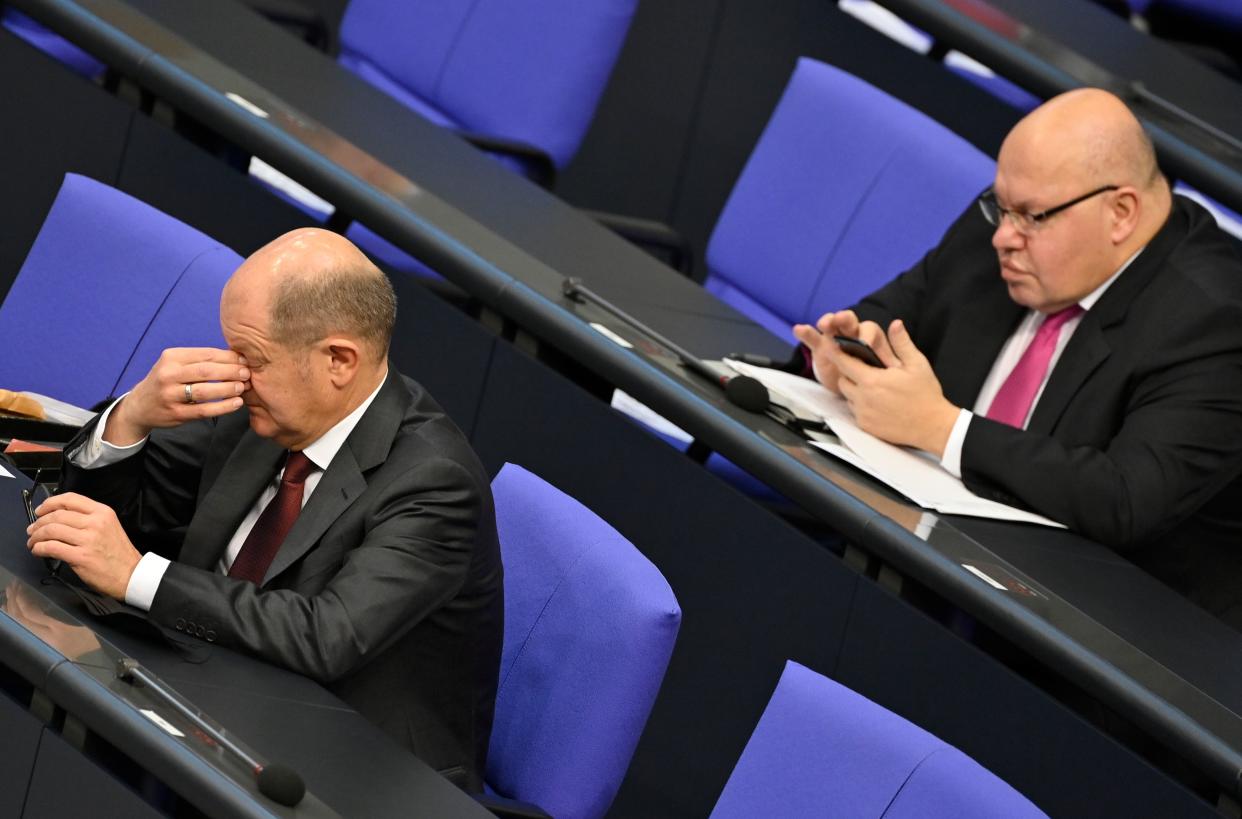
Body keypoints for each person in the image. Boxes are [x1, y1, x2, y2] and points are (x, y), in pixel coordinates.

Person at [26, 228, 503, 791]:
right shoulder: (267, 406)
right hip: (213, 681)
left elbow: (327, 635)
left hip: (352, 766)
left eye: (251, 356)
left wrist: (136, 573)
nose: (233, 371)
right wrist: (132, 419)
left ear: (339, 361)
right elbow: (124, 525)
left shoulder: (435, 482)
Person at [793, 88, 1242, 628]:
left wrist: (942, 428)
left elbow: (1125, 498)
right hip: (933, 565)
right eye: (1001, 207)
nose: (1004, 236)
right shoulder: (1004, 223)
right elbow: (889, 317)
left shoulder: (1214, 320)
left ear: (1121, 213)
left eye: (1031, 216)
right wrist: (850, 360)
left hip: (1099, 637)